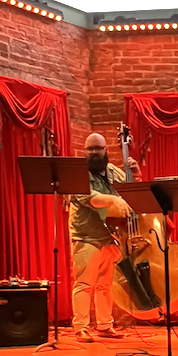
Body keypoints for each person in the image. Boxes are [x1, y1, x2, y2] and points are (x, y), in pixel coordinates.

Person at [69, 133, 141, 343]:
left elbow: (131, 191)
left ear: (105, 150)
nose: (93, 153)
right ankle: (80, 327)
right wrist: (114, 199)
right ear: (84, 151)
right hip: (86, 236)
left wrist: (136, 175)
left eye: (97, 149)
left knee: (104, 285)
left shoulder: (113, 172)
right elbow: (93, 200)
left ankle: (104, 325)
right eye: (89, 149)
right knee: (84, 283)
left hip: (110, 236)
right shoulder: (77, 175)